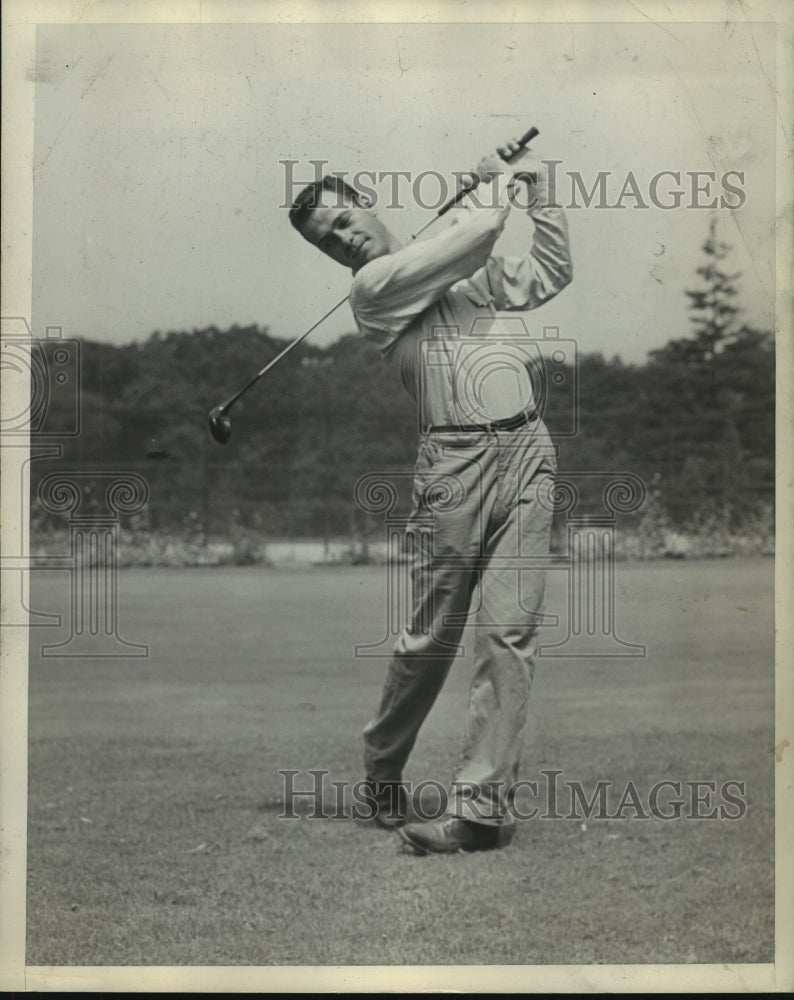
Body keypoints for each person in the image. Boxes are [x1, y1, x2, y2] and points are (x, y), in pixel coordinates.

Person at [289, 135, 572, 854]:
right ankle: (383, 766)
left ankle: (478, 810)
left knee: (510, 635)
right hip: (453, 467)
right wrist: (490, 184)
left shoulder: (448, 263)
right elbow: (475, 236)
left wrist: (535, 189)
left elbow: (549, 271)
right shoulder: (374, 291)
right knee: (431, 638)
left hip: (528, 452)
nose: (344, 243)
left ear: (364, 203)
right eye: (329, 243)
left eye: (345, 222)